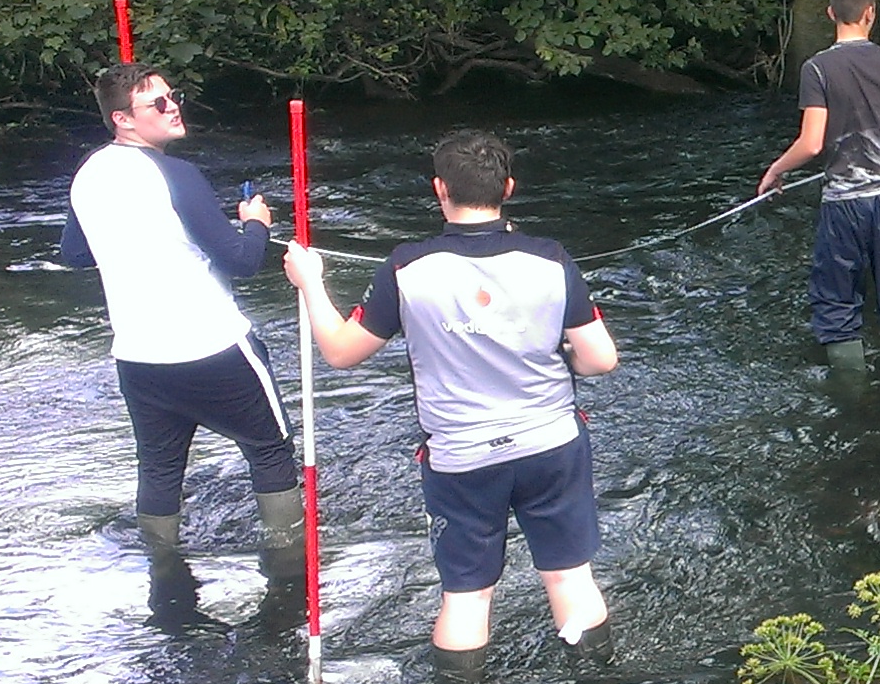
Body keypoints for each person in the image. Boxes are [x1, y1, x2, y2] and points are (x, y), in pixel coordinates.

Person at [280, 129, 620, 653]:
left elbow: (341, 353)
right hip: (551, 443)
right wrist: (565, 357)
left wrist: (310, 284)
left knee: (467, 597)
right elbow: (601, 359)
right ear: (508, 188)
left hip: (460, 457)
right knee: (570, 577)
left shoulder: (407, 267)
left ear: (440, 190)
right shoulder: (551, 259)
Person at [61, 63, 301, 571]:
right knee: (271, 451)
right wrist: (255, 224)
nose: (174, 108)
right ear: (124, 120)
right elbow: (242, 262)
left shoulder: (88, 173)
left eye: (175, 97)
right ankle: (288, 567)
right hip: (214, 346)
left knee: (160, 469)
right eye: (159, 104)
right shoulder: (178, 174)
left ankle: (163, 574)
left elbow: (77, 255)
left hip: (138, 357)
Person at [757, 0, 880, 376]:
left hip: (843, 208)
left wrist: (775, 171)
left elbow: (812, 144)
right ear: (871, 13)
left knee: (837, 304)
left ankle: (853, 399)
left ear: (832, 12)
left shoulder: (817, 70)